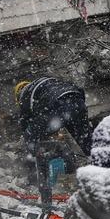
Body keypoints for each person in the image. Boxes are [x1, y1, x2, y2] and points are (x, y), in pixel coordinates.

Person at [15, 77, 93, 209]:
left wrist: (30, 141)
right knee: (87, 142)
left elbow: (25, 123)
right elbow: (76, 89)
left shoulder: (25, 95)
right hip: (77, 100)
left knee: (32, 138)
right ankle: (106, 172)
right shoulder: (46, 83)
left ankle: (36, 178)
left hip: (56, 105)